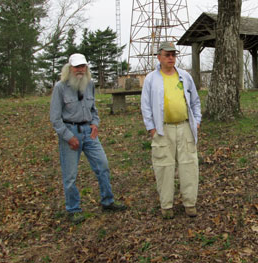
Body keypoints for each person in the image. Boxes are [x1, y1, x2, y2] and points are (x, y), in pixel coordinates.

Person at [50, 53, 126, 224]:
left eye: (83, 66)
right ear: (70, 68)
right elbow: (55, 118)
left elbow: (93, 110)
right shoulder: (60, 87)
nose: (80, 70)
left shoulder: (90, 84)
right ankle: (73, 209)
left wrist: (95, 123)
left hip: (89, 132)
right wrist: (69, 137)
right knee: (70, 175)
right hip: (70, 133)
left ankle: (108, 201)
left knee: (103, 165)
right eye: (77, 67)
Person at [141, 42, 202, 219]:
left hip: (185, 128)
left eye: (173, 55)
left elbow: (195, 101)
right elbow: (145, 106)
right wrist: (151, 128)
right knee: (164, 167)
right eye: (167, 55)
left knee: (189, 166)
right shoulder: (151, 79)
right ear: (159, 57)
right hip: (162, 130)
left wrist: (196, 121)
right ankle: (166, 206)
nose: (171, 58)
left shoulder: (184, 76)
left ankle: (190, 204)